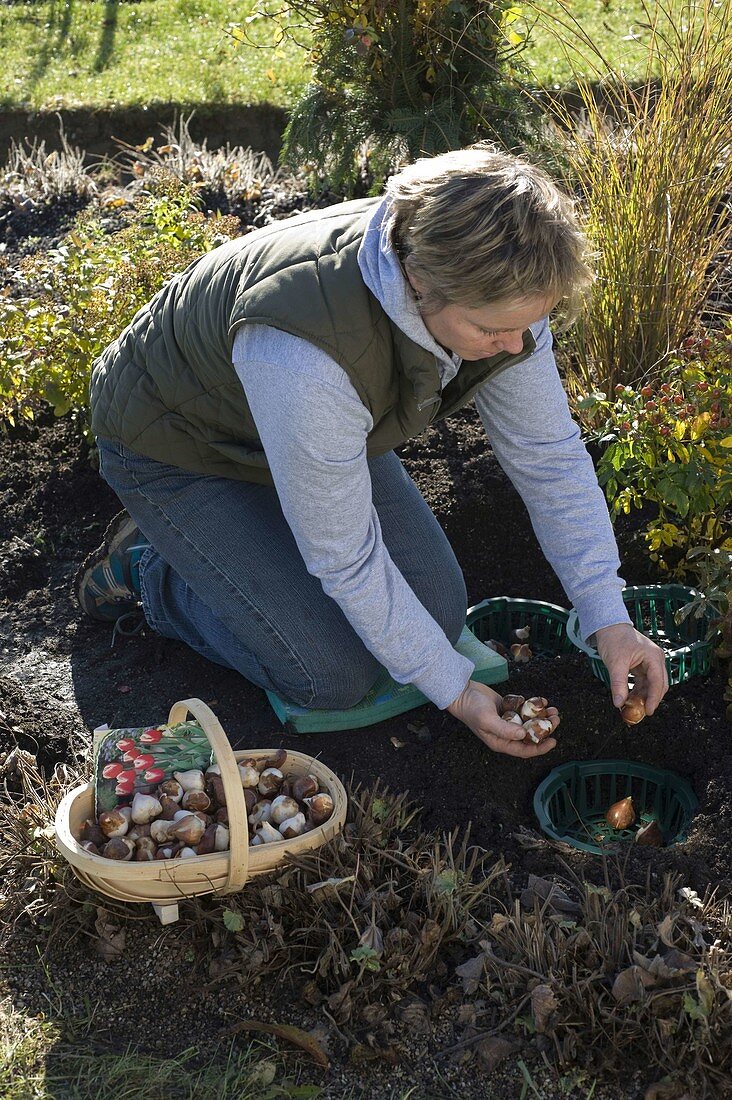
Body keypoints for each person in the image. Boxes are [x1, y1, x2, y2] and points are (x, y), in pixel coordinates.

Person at [76, 144, 669, 757]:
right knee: (329, 675)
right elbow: (345, 557)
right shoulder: (306, 352)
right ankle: (151, 569)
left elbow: (549, 459)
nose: (515, 344)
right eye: (491, 330)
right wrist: (457, 693)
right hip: (179, 446)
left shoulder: (503, 291)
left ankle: (237, 548)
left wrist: (608, 617)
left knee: (436, 616)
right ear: (419, 284)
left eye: (527, 324)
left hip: (312, 435)